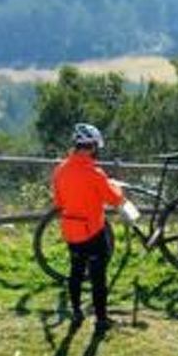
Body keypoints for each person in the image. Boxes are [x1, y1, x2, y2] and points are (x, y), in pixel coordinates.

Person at [51, 122, 128, 332]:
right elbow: (115, 199)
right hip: (93, 231)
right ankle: (101, 320)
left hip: (70, 229)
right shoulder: (95, 172)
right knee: (98, 277)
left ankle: (76, 312)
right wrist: (116, 187)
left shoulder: (60, 169)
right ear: (93, 146)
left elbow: (58, 202)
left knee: (75, 271)